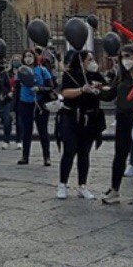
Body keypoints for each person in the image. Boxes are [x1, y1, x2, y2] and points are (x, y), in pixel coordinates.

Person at [56, 50, 106, 200]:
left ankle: (82, 186)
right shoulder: (70, 74)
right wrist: (81, 90)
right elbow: (65, 93)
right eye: (89, 59)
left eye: (93, 59)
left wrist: (101, 89)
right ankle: (62, 184)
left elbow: (106, 88)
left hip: (89, 118)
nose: (92, 62)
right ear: (81, 61)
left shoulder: (95, 75)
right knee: (69, 150)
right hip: (71, 117)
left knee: (84, 153)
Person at [101, 44, 133, 204]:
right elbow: (109, 94)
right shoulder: (121, 76)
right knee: (120, 155)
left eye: (128, 56)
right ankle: (114, 189)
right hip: (123, 119)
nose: (125, 60)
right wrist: (97, 90)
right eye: (122, 57)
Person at [17, 49, 53, 166]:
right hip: (25, 103)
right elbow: (17, 89)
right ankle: (25, 156)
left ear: (34, 57)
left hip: (40, 103)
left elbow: (51, 86)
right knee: (26, 131)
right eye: (26, 56)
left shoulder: (42, 70)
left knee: (43, 130)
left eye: (30, 56)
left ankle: (47, 157)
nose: (28, 58)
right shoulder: (20, 71)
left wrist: (40, 89)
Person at [0, 54, 22, 150]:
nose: (16, 61)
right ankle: (6, 140)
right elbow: (2, 85)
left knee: (20, 121)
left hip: (19, 99)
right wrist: (7, 93)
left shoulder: (23, 72)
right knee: (7, 120)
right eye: (14, 60)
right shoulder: (6, 73)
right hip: (9, 98)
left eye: (18, 60)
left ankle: (19, 141)